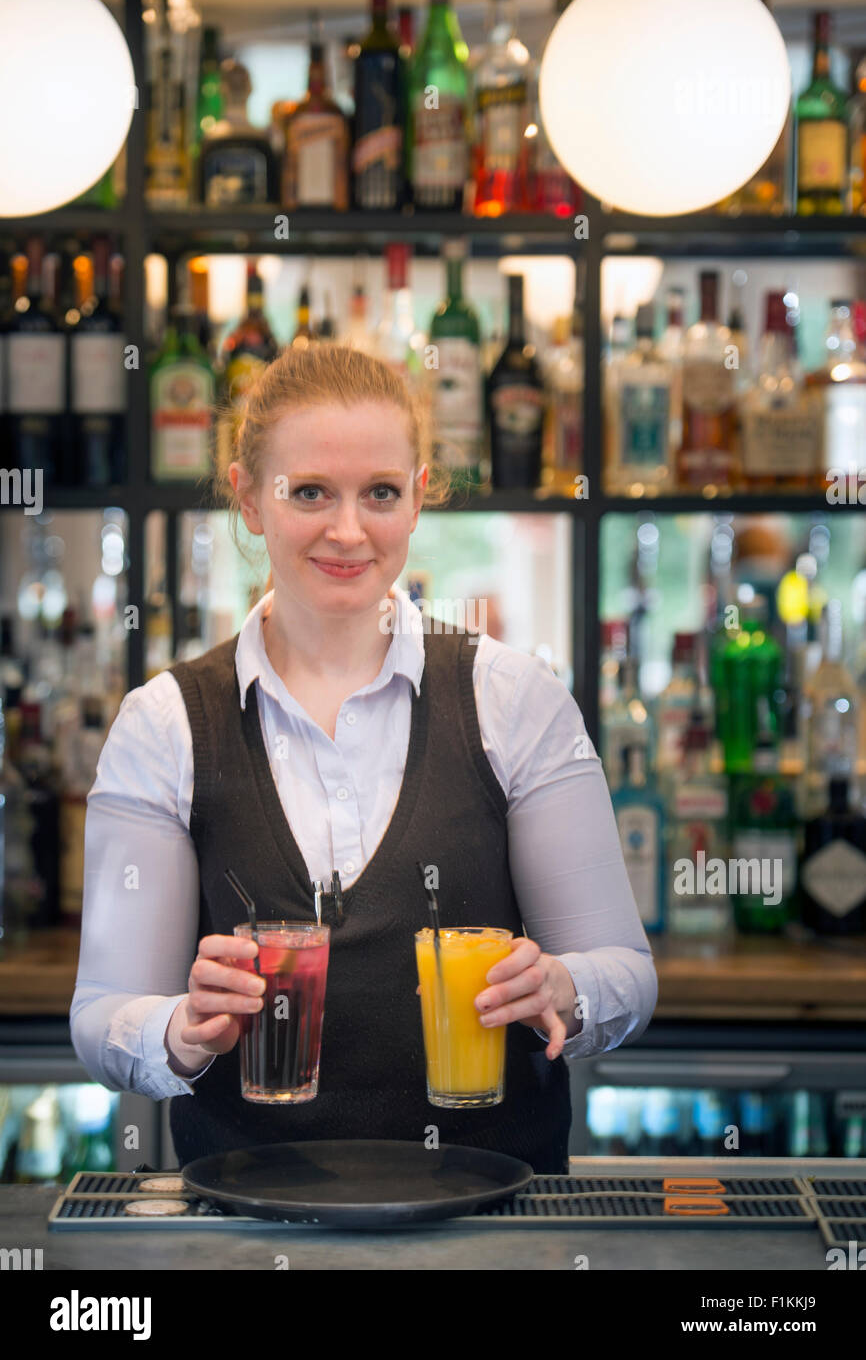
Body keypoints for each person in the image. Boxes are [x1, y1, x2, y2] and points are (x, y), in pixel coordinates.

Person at [71, 343, 656, 1174]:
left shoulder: (514, 701)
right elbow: (100, 1017)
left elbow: (627, 975)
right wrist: (179, 1031)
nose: (348, 530)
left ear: (419, 499)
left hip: (492, 1229)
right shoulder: (163, 727)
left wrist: (565, 988)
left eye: (379, 493)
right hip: (243, 1229)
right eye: (310, 492)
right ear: (247, 496)